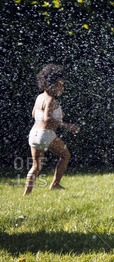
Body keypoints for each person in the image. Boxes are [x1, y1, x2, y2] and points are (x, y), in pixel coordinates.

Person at [24, 64, 79, 196]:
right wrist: (67, 125)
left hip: (33, 135)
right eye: (58, 85)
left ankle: (26, 194)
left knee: (36, 166)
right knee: (65, 155)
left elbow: (34, 114)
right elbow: (48, 119)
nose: (62, 88)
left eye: (62, 85)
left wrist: (58, 113)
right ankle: (55, 184)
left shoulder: (39, 98)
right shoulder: (51, 100)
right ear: (48, 86)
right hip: (45, 134)